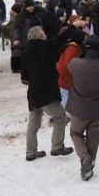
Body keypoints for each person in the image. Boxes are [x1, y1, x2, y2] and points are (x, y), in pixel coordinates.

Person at [66, 35, 99, 181]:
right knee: (94, 137)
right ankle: (89, 164)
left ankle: (85, 160)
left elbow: (69, 66)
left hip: (79, 109)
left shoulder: (75, 64)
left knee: (75, 133)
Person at [22, 25, 79, 161]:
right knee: (60, 116)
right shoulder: (45, 47)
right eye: (43, 33)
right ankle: (57, 146)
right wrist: (73, 27)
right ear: (39, 36)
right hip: (46, 91)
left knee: (33, 123)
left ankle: (31, 152)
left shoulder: (25, 52)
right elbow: (60, 38)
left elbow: (24, 78)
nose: (46, 35)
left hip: (33, 92)